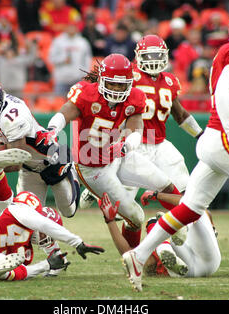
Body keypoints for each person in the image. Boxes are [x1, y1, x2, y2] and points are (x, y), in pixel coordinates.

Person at [122, 8, 229, 292]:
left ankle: (138, 255)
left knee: (191, 207)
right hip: (223, 139)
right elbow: (225, 92)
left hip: (214, 137)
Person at [44, 53, 176, 250]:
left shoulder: (135, 97)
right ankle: (134, 260)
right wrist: (53, 129)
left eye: (121, 85)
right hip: (93, 167)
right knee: (136, 217)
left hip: (119, 155)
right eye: (112, 84)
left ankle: (189, 226)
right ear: (102, 80)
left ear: (130, 83)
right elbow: (65, 113)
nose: (116, 89)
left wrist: (127, 145)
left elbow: (136, 128)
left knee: (165, 184)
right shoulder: (86, 94)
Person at [79, 35, 204, 211]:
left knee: (184, 187)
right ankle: (98, 190)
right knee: (124, 200)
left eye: (157, 56)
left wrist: (200, 134)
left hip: (159, 143)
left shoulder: (170, 81)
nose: (153, 60)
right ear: (138, 56)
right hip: (132, 142)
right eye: (149, 56)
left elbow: (180, 114)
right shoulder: (129, 74)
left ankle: (182, 226)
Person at [0, 148, 104, 280]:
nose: (44, 238)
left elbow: (27, 269)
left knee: (10, 272)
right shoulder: (20, 210)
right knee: (5, 199)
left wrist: (48, 264)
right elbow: (42, 223)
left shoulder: (25, 252)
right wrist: (76, 242)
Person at [0, 79, 81, 219]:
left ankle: (73, 170)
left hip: (51, 161)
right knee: (26, 216)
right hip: (29, 167)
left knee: (68, 211)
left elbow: (16, 161)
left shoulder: (12, 116)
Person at [99, 192, 221, 278]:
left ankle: (168, 239)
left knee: (158, 223)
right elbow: (191, 203)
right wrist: (158, 196)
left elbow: (128, 252)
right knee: (156, 222)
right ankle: (168, 240)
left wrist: (110, 221)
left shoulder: (147, 248)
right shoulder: (148, 248)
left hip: (186, 268)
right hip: (206, 262)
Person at [48, 22, 92, 97]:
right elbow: (51, 58)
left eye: (73, 27)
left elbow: (87, 60)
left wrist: (84, 75)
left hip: (77, 79)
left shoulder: (82, 42)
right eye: (69, 27)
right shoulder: (58, 41)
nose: (71, 29)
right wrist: (62, 59)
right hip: (62, 79)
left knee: (78, 104)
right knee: (60, 103)